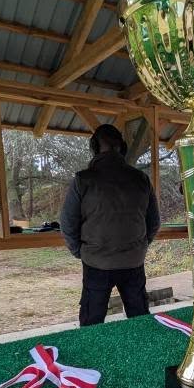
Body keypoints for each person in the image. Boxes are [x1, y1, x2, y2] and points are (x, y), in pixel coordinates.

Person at [60, 124, 160, 326]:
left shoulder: (83, 180)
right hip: (133, 261)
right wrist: (139, 246)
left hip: (96, 262)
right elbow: (154, 223)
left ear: (95, 148)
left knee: (92, 324)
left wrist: (81, 252)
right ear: (122, 148)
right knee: (140, 321)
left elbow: (68, 223)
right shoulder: (140, 179)